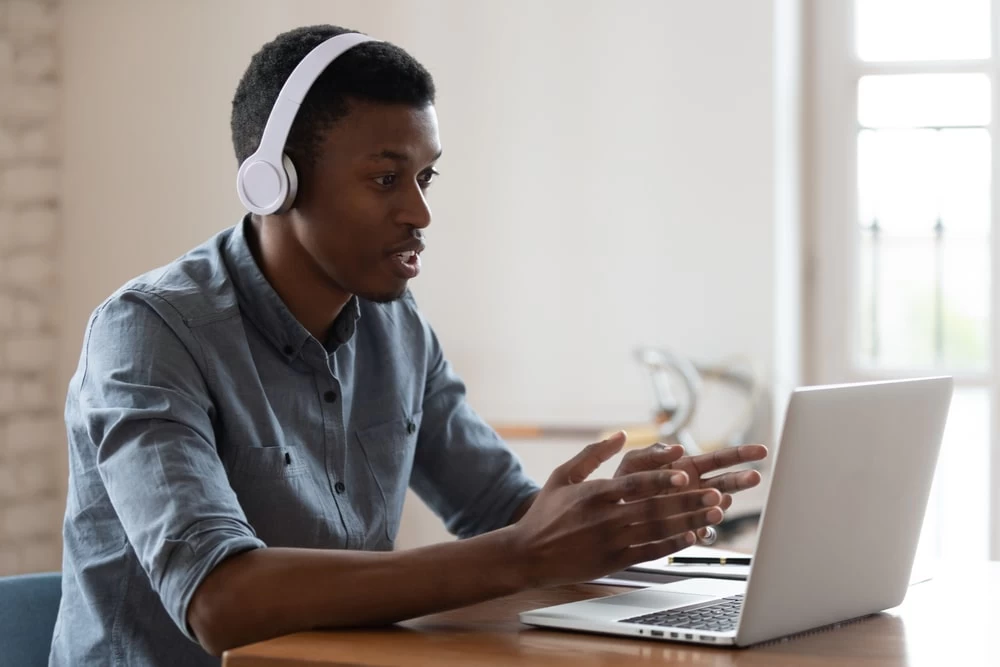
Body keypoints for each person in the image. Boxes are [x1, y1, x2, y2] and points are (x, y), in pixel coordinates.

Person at [50, 24, 767, 665]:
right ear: (275, 184)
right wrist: (522, 553)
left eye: (425, 178)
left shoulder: (396, 326)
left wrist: (617, 515)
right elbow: (219, 601)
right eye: (386, 178)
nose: (421, 212)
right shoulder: (147, 334)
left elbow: (500, 511)